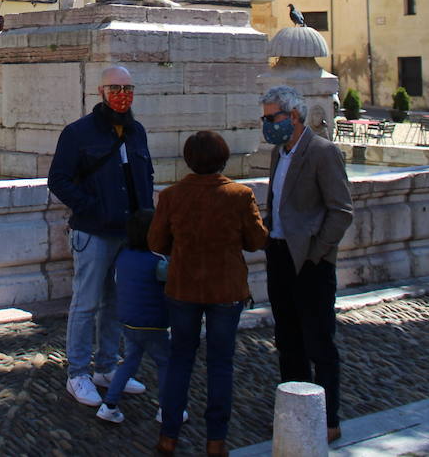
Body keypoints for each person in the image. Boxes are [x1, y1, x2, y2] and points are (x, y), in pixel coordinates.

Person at [148, 132, 269, 456]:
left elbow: (156, 243)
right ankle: (216, 441)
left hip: (183, 287)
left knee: (180, 361)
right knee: (220, 364)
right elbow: (257, 241)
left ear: (188, 159)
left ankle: (168, 437)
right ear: (223, 158)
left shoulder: (172, 196)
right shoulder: (239, 195)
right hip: (226, 290)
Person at [47, 65, 155, 407]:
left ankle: (107, 367)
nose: (122, 94)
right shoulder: (78, 133)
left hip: (129, 232)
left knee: (115, 303)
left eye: (128, 87)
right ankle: (77, 372)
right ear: (101, 92)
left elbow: (145, 176)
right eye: (115, 88)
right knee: (86, 302)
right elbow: (59, 180)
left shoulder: (137, 131)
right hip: (93, 231)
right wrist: (91, 206)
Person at [260, 85, 354, 444]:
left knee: (319, 342)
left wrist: (318, 252)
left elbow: (341, 210)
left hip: (310, 260)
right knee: (287, 339)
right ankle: (295, 411)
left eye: (273, 118)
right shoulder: (277, 152)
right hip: (279, 254)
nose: (268, 125)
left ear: (293, 116)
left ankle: (328, 418)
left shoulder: (322, 152)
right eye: (265, 118)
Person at [95, 209, 168, 426]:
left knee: (129, 362)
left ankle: (109, 405)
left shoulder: (123, 256)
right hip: (154, 323)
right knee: (166, 363)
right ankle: (167, 409)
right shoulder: (159, 261)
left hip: (127, 320)